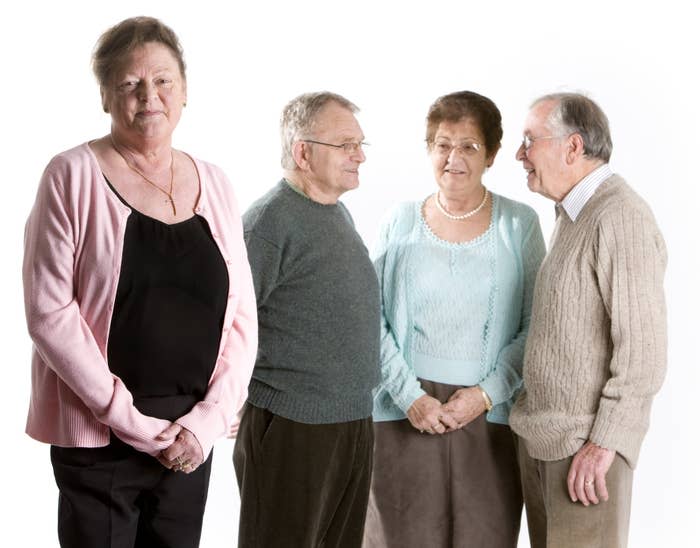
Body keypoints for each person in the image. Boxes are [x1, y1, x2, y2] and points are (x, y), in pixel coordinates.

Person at [22, 17, 258, 548]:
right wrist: (131, 422)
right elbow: (49, 314)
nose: (149, 97)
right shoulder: (70, 175)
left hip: (189, 439)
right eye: (130, 84)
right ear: (106, 95)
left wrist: (207, 421)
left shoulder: (215, 181)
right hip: (101, 438)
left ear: (185, 90)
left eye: (163, 81)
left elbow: (243, 314)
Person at [362, 91, 546, 548]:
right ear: (429, 150)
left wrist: (485, 395)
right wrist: (409, 397)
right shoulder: (398, 221)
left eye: (469, 146)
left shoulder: (519, 224)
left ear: (492, 155)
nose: (453, 158)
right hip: (403, 414)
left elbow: (536, 325)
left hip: (489, 419)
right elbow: (371, 319)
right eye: (442, 144)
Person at [509, 92, 667, 548]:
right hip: (546, 444)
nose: (520, 155)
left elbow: (644, 352)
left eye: (529, 141)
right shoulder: (571, 214)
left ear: (572, 147)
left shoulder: (619, 216)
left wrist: (604, 444)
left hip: (583, 454)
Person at [233, 91, 380, 548]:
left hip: (351, 422)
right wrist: (227, 402)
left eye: (361, 144)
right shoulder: (269, 223)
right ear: (303, 152)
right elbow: (226, 325)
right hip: (293, 427)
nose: (359, 155)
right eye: (346, 144)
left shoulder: (337, 214)